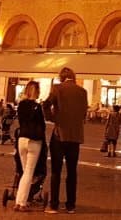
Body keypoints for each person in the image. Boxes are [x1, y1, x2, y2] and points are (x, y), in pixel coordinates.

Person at [43, 66, 88, 214]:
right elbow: (84, 113)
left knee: (56, 171)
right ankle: (71, 205)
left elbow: (45, 104)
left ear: (61, 77)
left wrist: (52, 118)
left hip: (59, 134)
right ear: (73, 77)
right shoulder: (82, 92)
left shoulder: (57, 88)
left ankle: (54, 205)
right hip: (75, 136)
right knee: (72, 171)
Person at [14, 80, 46, 211]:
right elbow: (42, 124)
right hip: (34, 141)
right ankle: (21, 203)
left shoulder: (21, 105)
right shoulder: (37, 107)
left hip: (21, 139)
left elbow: (21, 121)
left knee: (25, 173)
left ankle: (19, 201)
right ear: (36, 92)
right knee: (29, 172)